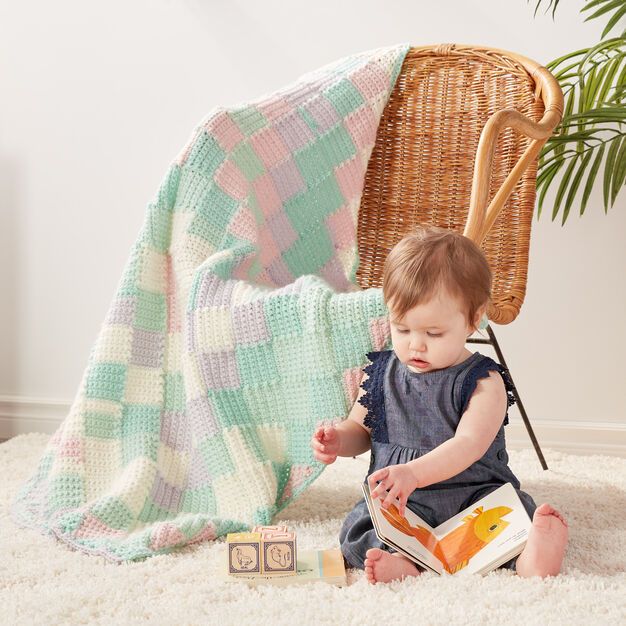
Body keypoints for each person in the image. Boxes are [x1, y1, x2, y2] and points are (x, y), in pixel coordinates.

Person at [310, 225, 568, 584]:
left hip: (471, 499)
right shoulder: (381, 373)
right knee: (358, 531)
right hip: (402, 506)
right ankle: (406, 562)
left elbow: (468, 445)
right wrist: (338, 439)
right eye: (402, 329)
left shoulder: (482, 381)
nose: (416, 345)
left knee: (508, 520)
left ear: (473, 320)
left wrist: (414, 473)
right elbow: (360, 430)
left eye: (433, 334)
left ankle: (533, 559)